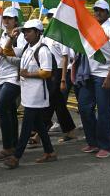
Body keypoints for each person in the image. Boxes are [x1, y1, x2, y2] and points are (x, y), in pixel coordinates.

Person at [3, 19, 56, 169]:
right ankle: (50, 152)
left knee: (27, 126)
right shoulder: (27, 47)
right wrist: (11, 38)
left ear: (38, 32)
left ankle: (16, 156)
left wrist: (28, 74)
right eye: (24, 31)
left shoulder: (43, 50)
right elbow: (7, 52)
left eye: (29, 31)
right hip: (28, 92)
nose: (26, 33)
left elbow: (47, 72)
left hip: (37, 93)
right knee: (38, 123)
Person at [78, 0, 110, 159]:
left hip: (105, 76)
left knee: (104, 112)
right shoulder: (91, 29)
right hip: (89, 75)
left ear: (107, 13)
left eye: (101, 11)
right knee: (84, 108)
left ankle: (106, 146)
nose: (98, 13)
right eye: (95, 10)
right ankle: (93, 142)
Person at [0, 7, 26, 161]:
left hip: (14, 77)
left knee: (1, 109)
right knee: (10, 111)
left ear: (16, 20)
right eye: (4, 18)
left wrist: (6, 53)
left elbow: (25, 59)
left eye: (9, 18)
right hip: (1, 78)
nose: (6, 21)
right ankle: (14, 143)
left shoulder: (22, 37)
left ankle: (7, 147)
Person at [43, 11, 77, 144]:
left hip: (59, 72)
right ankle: (70, 131)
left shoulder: (62, 35)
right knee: (58, 104)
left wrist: (63, 79)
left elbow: (65, 58)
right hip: (49, 71)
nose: (50, 19)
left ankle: (39, 133)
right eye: (49, 17)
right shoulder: (46, 36)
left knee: (52, 102)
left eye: (53, 17)